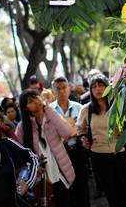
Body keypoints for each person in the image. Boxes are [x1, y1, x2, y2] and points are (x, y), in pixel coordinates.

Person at [77, 73, 126, 207]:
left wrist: (122, 132)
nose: (98, 89)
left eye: (101, 85)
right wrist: (83, 138)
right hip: (99, 156)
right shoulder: (86, 110)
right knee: (112, 193)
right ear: (91, 91)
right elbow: (80, 129)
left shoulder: (119, 105)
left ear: (108, 87)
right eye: (94, 87)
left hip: (120, 153)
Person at [17, 89, 75, 206]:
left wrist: (48, 109)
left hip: (61, 172)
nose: (36, 101)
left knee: (66, 201)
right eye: (30, 101)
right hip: (41, 177)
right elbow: (19, 154)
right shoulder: (23, 127)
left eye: (36, 97)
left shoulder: (51, 116)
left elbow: (67, 132)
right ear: (25, 108)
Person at [50, 76, 90, 207]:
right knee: (64, 189)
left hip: (78, 150)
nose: (61, 91)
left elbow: (86, 127)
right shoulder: (49, 111)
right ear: (53, 91)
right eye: (58, 88)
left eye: (64, 88)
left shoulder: (79, 107)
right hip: (60, 153)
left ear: (69, 89)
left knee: (82, 185)